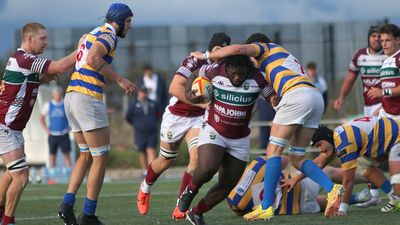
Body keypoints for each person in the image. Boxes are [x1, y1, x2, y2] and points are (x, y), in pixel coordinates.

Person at [190, 33, 342, 220]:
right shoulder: (283, 55)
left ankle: (266, 206)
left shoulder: (264, 48)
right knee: (296, 157)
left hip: (296, 94)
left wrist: (205, 56)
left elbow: (237, 49)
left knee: (273, 150)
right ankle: (332, 188)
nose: (249, 62)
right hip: (315, 97)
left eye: (250, 57)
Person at [136, 32, 231, 220]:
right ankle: (145, 187)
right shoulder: (195, 61)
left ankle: (181, 205)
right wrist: (201, 104)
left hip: (198, 119)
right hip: (176, 117)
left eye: (225, 51)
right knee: (165, 160)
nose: (221, 54)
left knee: (196, 159)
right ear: (211, 49)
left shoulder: (226, 68)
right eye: (218, 49)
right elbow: (174, 88)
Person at [57, 3, 136, 225]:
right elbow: (93, 59)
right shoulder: (110, 35)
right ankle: (88, 215)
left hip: (71, 96)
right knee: (101, 158)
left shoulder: (93, 32)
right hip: (87, 98)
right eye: (128, 22)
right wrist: (120, 79)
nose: (129, 27)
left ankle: (67, 204)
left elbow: (84, 50)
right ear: (118, 21)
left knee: (85, 155)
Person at [176, 54, 276, 225]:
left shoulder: (257, 78)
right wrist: (188, 93)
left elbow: (271, 97)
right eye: (233, 73)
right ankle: (189, 192)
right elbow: (193, 74)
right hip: (214, 129)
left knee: (228, 183)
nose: (237, 78)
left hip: (240, 139)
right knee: (208, 168)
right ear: (227, 68)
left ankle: (197, 212)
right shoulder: (215, 70)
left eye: (241, 74)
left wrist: (276, 100)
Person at [0, 22, 79, 225]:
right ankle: (7, 220)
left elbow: (33, 81)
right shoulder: (25, 59)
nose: (46, 42)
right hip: (5, 126)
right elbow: (60, 66)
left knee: (12, 172)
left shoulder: (23, 61)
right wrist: (81, 49)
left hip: (13, 128)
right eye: (42, 38)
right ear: (29, 39)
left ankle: (1, 209)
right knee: (22, 177)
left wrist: (47, 77)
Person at [309, 116, 400, 216]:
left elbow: (348, 180)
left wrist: (342, 209)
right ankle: (394, 197)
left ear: (326, 137)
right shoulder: (337, 136)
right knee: (363, 165)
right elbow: (318, 164)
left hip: (396, 136)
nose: (320, 149)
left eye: (319, 144)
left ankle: (397, 196)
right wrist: (297, 178)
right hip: (388, 135)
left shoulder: (344, 143)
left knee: (397, 182)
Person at [227, 156, 372, 216]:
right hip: (298, 186)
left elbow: (241, 212)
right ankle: (370, 177)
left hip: (298, 208)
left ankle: (356, 197)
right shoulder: (256, 166)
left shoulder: (233, 200)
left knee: (319, 203)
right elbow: (283, 160)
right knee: (329, 171)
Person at [333, 26, 386, 116]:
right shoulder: (359, 55)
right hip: (367, 105)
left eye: (379, 36)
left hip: (384, 103)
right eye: (373, 36)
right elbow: (350, 79)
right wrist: (341, 98)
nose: (377, 39)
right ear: (368, 38)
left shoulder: (388, 55)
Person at [367, 24, 400, 121]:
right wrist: (382, 106)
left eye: (388, 41)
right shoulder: (386, 60)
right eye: (382, 41)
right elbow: (388, 88)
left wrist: (382, 92)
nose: (384, 44)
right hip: (386, 114)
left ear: (398, 41)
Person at [125, 85, 160, 177]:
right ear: (139, 92)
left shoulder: (153, 103)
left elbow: (158, 115)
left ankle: (152, 172)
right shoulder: (133, 104)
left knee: (151, 151)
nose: (144, 94)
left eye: (145, 92)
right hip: (140, 133)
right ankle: (145, 171)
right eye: (142, 92)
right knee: (142, 152)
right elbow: (128, 117)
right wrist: (137, 124)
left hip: (152, 132)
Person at [39, 87, 72, 168]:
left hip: (64, 133)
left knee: (66, 155)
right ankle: (52, 176)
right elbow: (41, 118)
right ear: (53, 95)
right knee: (52, 156)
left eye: (59, 94)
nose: (58, 96)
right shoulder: (48, 105)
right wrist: (46, 130)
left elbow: (72, 116)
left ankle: (69, 174)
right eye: (56, 94)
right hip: (53, 134)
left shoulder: (65, 104)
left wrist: (70, 127)